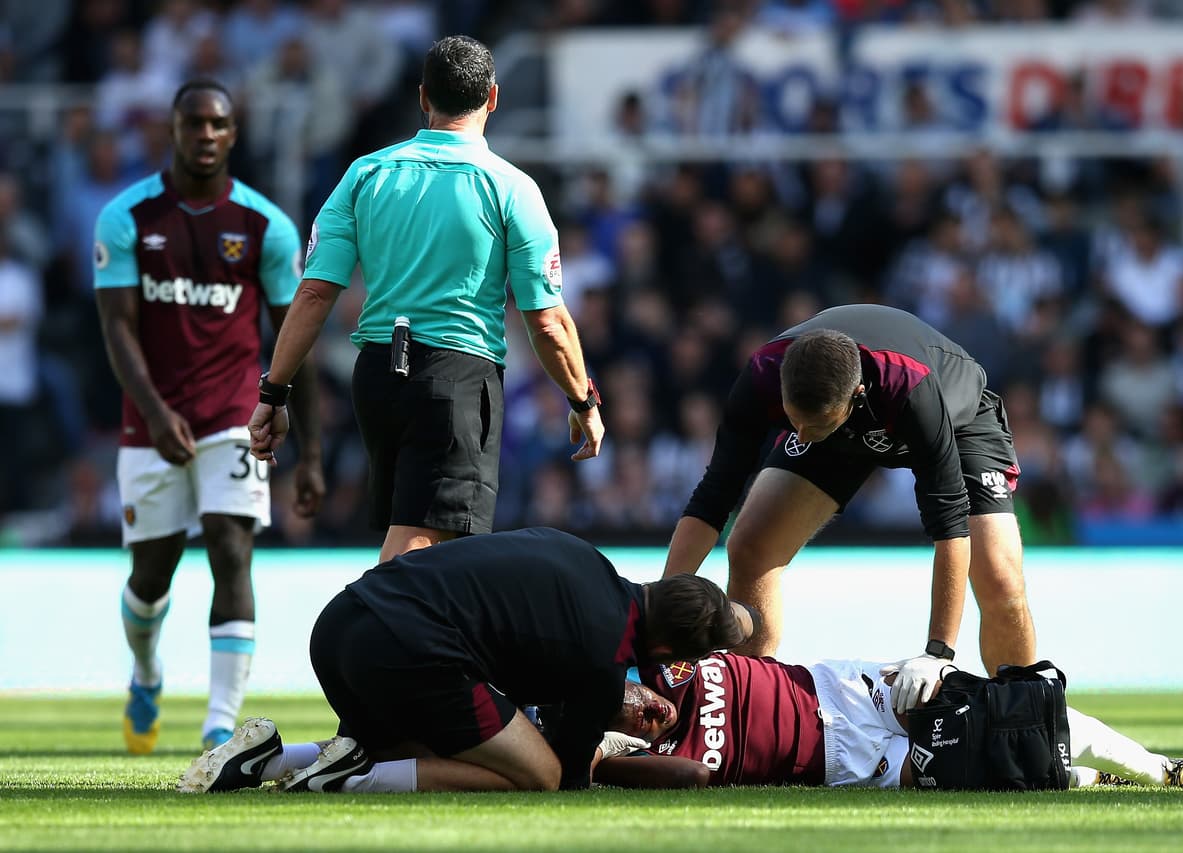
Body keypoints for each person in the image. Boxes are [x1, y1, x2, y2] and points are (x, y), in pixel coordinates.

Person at [247, 35, 604, 565]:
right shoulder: (512, 187)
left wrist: (273, 392)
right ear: (493, 97)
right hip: (456, 377)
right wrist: (583, 400)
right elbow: (548, 322)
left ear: (422, 97)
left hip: (376, 377)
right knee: (418, 549)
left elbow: (315, 292)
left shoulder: (365, 174)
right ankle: (360, 618)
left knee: (443, 551)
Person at [94, 79, 324, 754]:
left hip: (233, 417)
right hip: (151, 423)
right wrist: (154, 410)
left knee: (231, 548)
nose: (205, 135)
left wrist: (310, 453)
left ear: (233, 134)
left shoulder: (265, 226)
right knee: (151, 577)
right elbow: (117, 329)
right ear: (173, 129)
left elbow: (294, 337)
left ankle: (220, 725)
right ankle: (146, 671)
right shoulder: (126, 217)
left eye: (218, 124)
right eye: (193, 123)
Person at [177, 527, 756, 794]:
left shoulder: (582, 553)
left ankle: (269, 759)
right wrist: (611, 742)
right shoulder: (605, 660)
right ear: (665, 650)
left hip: (339, 625)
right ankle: (349, 782)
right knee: (539, 774)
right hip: (404, 653)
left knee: (439, 745)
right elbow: (570, 775)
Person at [663, 303, 1035, 711]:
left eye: (812, 425)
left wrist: (938, 652)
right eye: (793, 420)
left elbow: (950, 530)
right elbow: (714, 495)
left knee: (999, 578)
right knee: (750, 545)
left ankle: (1027, 715)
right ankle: (750, 705)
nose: (801, 434)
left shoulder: (912, 390)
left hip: (955, 422)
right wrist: (662, 607)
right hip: (840, 427)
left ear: (856, 396)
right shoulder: (763, 376)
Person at [590, 653, 1183, 790]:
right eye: (636, 723)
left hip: (841, 687)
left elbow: (723, 619)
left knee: (996, 707)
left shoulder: (657, 659)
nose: (650, 714)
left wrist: (928, 656)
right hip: (835, 760)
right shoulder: (641, 760)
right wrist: (604, 761)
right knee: (976, 766)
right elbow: (691, 778)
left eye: (635, 698)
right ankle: (1089, 781)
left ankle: (1163, 770)